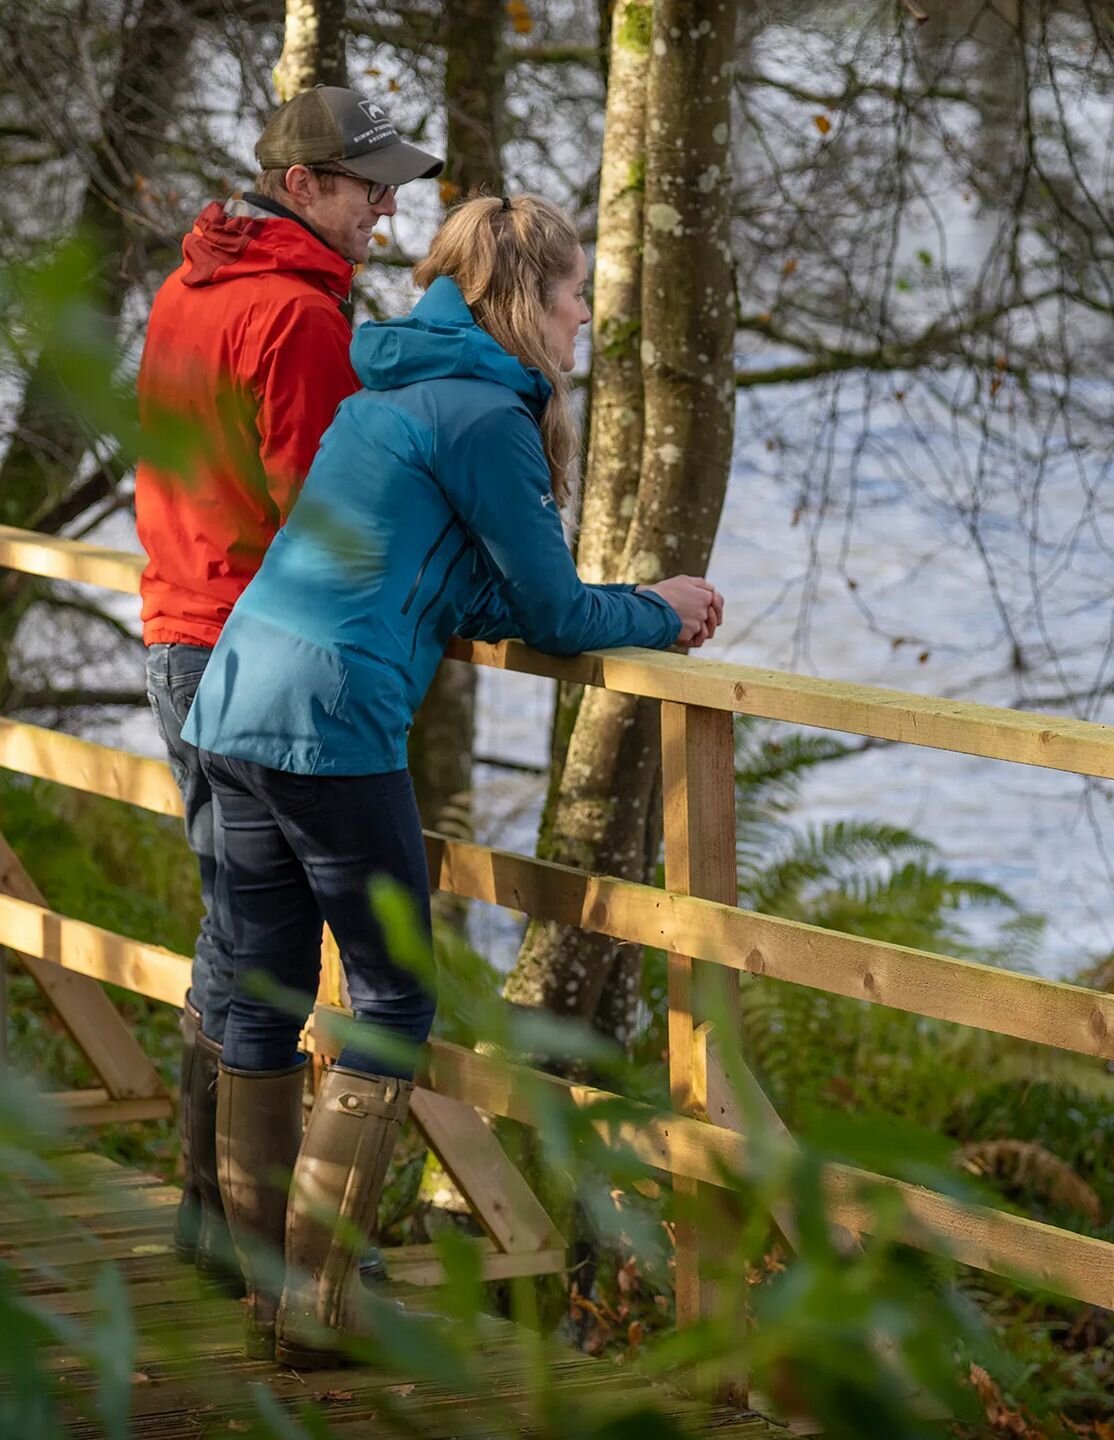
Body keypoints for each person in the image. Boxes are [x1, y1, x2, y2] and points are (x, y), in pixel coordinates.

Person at [182, 192, 723, 1367]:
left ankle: (267, 1290)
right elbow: (551, 608)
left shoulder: (391, 395)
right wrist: (663, 610)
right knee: (393, 998)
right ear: (526, 298)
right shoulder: (488, 418)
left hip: (235, 701)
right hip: (329, 724)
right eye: (576, 295)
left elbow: (443, 576)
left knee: (267, 996)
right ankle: (317, 1313)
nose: (585, 318)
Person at [134, 85, 441, 1284]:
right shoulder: (298, 319)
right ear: (300, 186)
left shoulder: (186, 289)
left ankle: (217, 1227)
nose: (387, 209)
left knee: (242, 940)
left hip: (174, 634)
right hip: (257, 647)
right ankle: (308, 1274)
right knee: (351, 968)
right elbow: (329, 521)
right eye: (370, 188)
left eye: (394, 188)